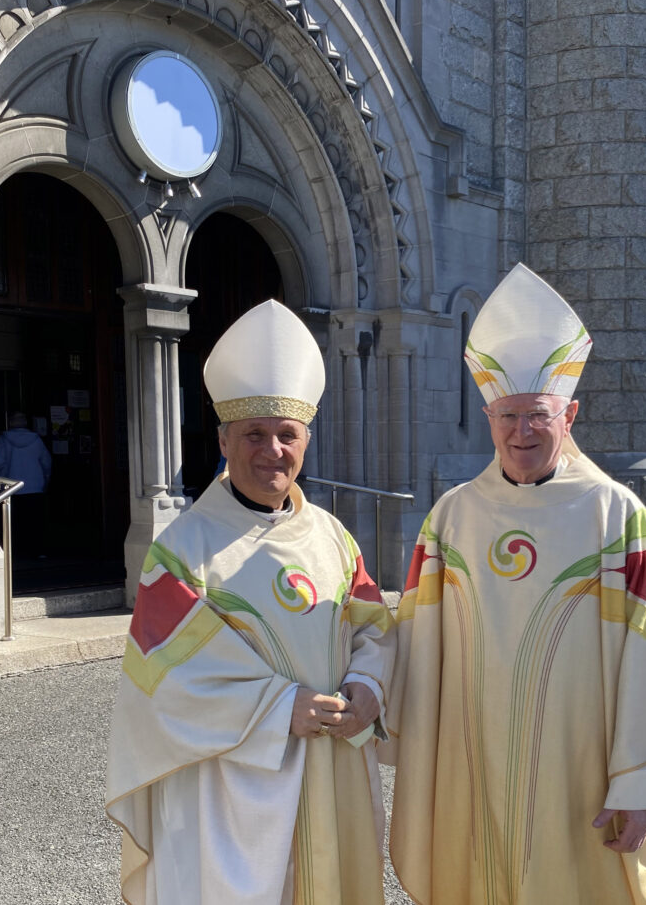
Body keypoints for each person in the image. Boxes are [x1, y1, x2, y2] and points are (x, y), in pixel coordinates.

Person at [386, 264, 646, 905]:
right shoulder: (450, 517)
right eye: (506, 416)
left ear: (569, 413)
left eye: (537, 415)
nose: (521, 433)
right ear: (488, 416)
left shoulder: (616, 515)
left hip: (581, 773)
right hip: (470, 766)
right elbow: (416, 642)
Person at [106, 300, 396, 905]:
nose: (273, 451)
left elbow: (375, 629)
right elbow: (165, 679)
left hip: (335, 769)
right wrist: (274, 708)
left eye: (287, 434)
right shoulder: (183, 549)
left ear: (307, 440)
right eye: (254, 434)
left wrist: (371, 687)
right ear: (223, 439)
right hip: (232, 789)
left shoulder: (334, 538)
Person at [0, 411, 51, 556]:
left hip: (11, 487)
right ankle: (39, 551)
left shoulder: (4, 439)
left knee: (14, 523)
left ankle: (14, 552)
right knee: (35, 522)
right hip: (35, 486)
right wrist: (45, 480)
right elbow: (46, 462)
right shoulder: (36, 439)